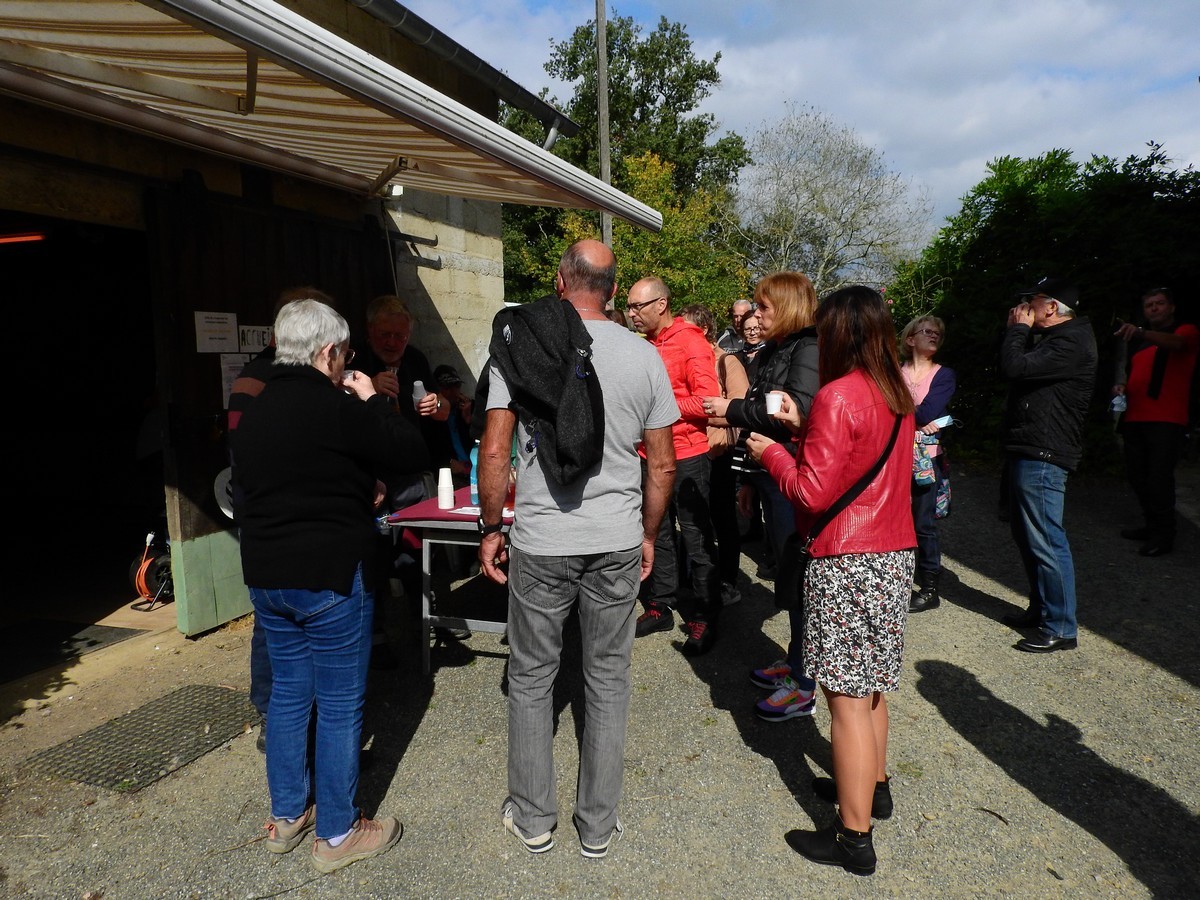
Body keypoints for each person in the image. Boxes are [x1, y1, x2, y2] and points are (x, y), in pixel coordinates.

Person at [477, 239, 676, 858]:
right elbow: (663, 465)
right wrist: (646, 534)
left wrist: (490, 525)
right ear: (614, 291)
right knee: (608, 678)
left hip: (541, 539)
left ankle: (534, 817)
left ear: (561, 284)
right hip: (615, 538)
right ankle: (597, 825)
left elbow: (494, 449)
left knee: (532, 677)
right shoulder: (644, 356)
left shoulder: (522, 345)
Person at [231, 298, 428, 873]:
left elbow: (281, 479)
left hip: (267, 573)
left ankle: (289, 814)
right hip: (327, 572)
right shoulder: (336, 404)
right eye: (342, 354)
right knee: (341, 702)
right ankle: (339, 833)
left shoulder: (255, 404)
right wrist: (373, 400)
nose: (346, 363)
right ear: (328, 352)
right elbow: (409, 453)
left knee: (290, 693)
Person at [745, 285, 916, 876]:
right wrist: (803, 429)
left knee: (843, 699)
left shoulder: (842, 395)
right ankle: (873, 788)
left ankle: (854, 837)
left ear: (838, 333)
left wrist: (771, 450)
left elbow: (811, 490)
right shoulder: (895, 392)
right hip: (893, 552)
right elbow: (850, 465)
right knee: (872, 688)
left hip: (848, 558)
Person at [703, 272, 820, 722]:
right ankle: (795, 662)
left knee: (800, 582)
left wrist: (729, 410)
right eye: (754, 307)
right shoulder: (779, 347)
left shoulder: (807, 347)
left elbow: (794, 413)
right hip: (771, 472)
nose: (755, 315)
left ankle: (804, 682)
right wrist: (753, 477)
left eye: (764, 308)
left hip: (793, 477)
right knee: (788, 576)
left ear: (788, 308)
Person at [226, 285, 333, 752]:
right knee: (276, 628)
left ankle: (292, 723)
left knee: (282, 626)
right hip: (278, 520)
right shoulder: (261, 379)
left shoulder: (299, 376)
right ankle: (275, 716)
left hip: (283, 520)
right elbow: (245, 455)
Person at [999, 276, 1098, 653]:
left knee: (1045, 539)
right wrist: (1019, 332)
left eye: (1032, 300)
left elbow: (1014, 368)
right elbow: (1014, 366)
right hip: (1030, 447)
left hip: (1045, 451)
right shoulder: (1058, 340)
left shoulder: (1071, 342)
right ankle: (1042, 610)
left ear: (1052, 306)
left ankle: (1060, 625)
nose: (1025, 307)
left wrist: (1018, 331)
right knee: (1028, 536)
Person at [626, 278, 723, 654]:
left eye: (638, 306)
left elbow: (708, 401)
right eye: (630, 307)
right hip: (650, 456)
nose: (632, 314)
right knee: (657, 531)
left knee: (697, 539)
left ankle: (704, 616)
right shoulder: (646, 345)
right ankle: (661, 604)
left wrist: (657, 408)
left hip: (689, 455)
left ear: (661, 304)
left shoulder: (691, 341)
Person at [1112, 287, 1199, 557]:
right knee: (1138, 476)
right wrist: (1122, 387)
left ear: (1171, 307)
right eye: (1149, 304)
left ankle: (1164, 534)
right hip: (1136, 416)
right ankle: (1152, 525)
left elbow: (1178, 346)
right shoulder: (1142, 343)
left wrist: (1140, 332)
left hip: (1167, 419)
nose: (1154, 308)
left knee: (1159, 478)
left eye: (1159, 303)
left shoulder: (1185, 331)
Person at [681, 302, 750, 606]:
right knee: (694, 520)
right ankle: (697, 580)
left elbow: (741, 408)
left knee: (722, 518)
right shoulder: (682, 359)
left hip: (717, 453)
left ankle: (727, 582)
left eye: (685, 328)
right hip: (686, 452)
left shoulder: (726, 362)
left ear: (704, 329)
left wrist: (696, 413)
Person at [899, 315, 957, 612]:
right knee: (896, 519)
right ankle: (898, 578)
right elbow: (917, 415)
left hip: (925, 460)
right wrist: (919, 417)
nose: (935, 335)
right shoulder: (895, 372)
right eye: (928, 331)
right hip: (895, 457)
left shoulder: (944, 375)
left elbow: (928, 412)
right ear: (910, 339)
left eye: (939, 332)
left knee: (923, 523)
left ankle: (930, 587)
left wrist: (904, 412)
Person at [432, 363, 475, 489]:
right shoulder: (433, 417)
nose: (454, 392)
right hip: (450, 474)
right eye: (448, 387)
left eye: (457, 386)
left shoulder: (467, 408)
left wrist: (469, 420)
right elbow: (433, 450)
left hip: (472, 469)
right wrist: (449, 463)